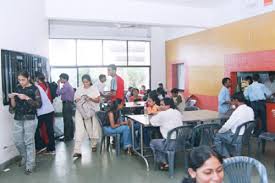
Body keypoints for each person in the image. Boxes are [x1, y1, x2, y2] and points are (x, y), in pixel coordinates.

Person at [8, 71, 42, 175]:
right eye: (19, 80)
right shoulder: (17, 88)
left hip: (30, 118)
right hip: (18, 118)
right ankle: (25, 157)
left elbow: (38, 105)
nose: (21, 82)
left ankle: (30, 165)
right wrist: (12, 98)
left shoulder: (35, 89)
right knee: (17, 141)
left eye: (23, 79)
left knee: (29, 142)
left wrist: (27, 98)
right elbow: (13, 106)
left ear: (28, 78)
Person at [214, 92, 254, 157]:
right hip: (247, 136)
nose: (232, 102)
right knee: (226, 133)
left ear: (236, 100)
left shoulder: (237, 111)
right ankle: (232, 152)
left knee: (218, 136)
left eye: (232, 100)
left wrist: (219, 131)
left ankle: (227, 157)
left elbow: (227, 125)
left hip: (237, 137)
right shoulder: (250, 109)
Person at [149, 98, 183, 170]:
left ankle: (164, 163)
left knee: (153, 142)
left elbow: (152, 122)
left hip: (170, 144)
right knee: (161, 140)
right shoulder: (177, 112)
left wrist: (157, 114)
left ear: (168, 106)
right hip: (181, 143)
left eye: (162, 105)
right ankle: (167, 161)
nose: (159, 106)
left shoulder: (162, 114)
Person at [73, 74, 101, 157]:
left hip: (90, 111)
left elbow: (98, 100)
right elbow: (75, 100)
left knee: (91, 129)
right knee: (79, 129)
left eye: (87, 82)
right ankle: (77, 150)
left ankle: (93, 144)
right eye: (84, 82)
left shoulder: (94, 89)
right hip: (80, 110)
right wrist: (78, 99)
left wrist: (90, 99)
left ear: (90, 81)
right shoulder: (79, 89)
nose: (85, 84)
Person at [35, 83, 56, 155]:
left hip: (43, 111)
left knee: (35, 128)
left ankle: (41, 146)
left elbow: (37, 103)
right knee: (49, 129)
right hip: (48, 110)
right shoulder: (38, 86)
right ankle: (51, 149)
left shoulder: (34, 88)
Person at [56, 73, 75, 141]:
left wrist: (58, 84)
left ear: (64, 79)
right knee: (69, 120)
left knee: (67, 120)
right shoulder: (67, 85)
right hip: (69, 104)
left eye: (60, 78)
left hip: (67, 104)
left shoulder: (66, 86)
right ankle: (70, 136)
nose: (60, 80)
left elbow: (58, 92)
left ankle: (67, 137)